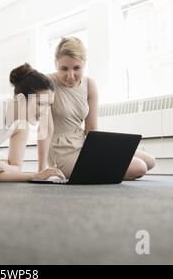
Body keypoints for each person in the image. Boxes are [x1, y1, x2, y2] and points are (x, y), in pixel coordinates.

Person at [37, 37, 155, 180]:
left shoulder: (89, 84)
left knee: (149, 161)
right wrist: (41, 169)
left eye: (76, 68)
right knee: (139, 167)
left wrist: (100, 150)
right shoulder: (45, 83)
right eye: (64, 69)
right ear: (56, 64)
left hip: (83, 145)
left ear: (84, 64)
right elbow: (44, 129)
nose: (70, 76)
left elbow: (91, 129)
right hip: (61, 152)